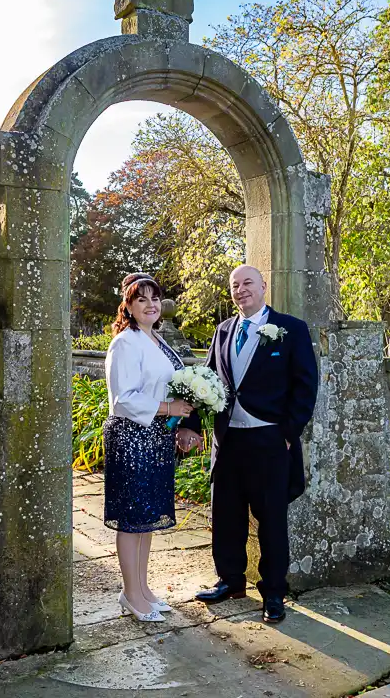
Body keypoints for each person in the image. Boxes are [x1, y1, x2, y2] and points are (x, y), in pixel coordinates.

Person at [177, 265, 318, 623]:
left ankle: (273, 593)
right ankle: (230, 581)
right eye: (235, 285)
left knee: (271, 520)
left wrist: (288, 433)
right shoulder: (223, 330)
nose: (241, 290)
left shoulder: (291, 329)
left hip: (270, 441)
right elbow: (205, 379)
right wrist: (190, 425)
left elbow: (305, 386)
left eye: (248, 283)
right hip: (228, 441)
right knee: (226, 515)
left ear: (263, 286)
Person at [103, 272, 198, 622]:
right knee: (132, 519)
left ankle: (142, 589)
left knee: (146, 518)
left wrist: (181, 416)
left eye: (154, 298)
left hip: (156, 437)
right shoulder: (125, 343)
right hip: (131, 437)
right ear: (128, 306)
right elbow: (123, 399)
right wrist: (169, 408)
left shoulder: (156, 339)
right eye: (141, 299)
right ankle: (130, 594)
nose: (150, 305)